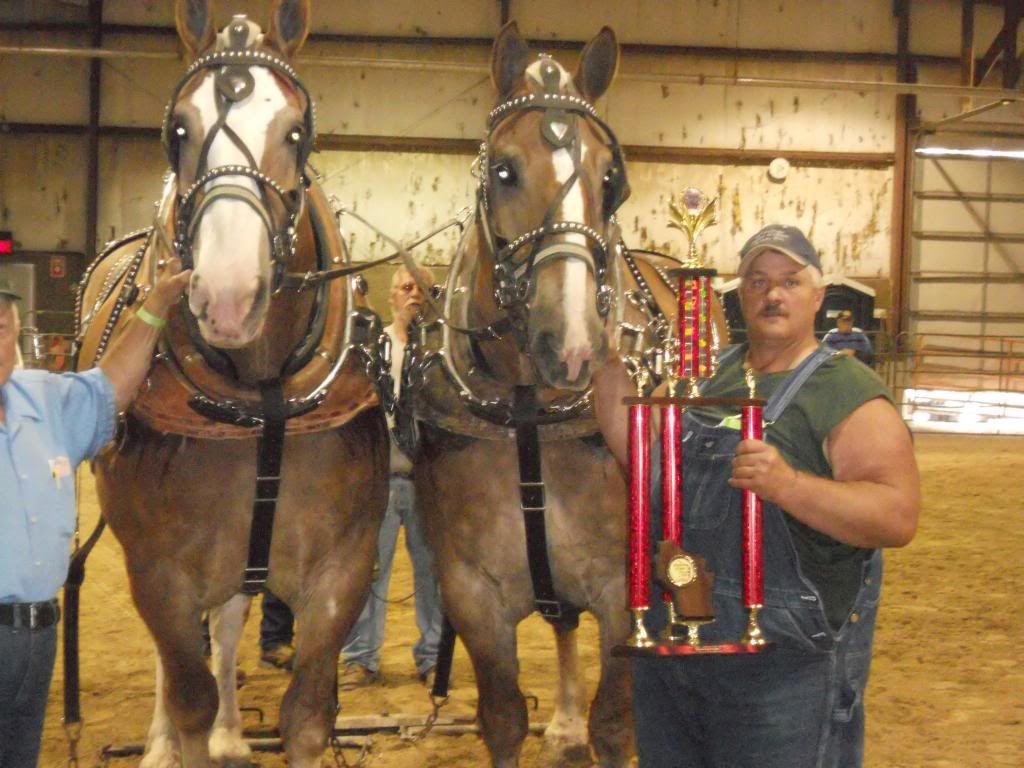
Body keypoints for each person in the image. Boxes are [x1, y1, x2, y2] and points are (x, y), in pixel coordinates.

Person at [592, 224, 920, 768]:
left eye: (790, 282)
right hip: (675, 650)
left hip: (781, 666)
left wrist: (788, 486)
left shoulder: (847, 392)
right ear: (739, 295)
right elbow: (644, 458)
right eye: (758, 281)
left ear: (818, 297)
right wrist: (603, 367)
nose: (773, 294)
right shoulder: (705, 374)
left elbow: (897, 516)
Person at [1, 266, 190, 767]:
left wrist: (156, 306)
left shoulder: (42, 398)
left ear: (15, 332)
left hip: (37, 635)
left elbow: (110, 387)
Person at [339, 262, 443, 690]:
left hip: (426, 478)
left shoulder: (440, 351)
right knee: (366, 570)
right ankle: (360, 657)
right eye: (406, 287)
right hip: (378, 477)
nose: (414, 294)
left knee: (433, 572)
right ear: (392, 297)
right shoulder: (371, 348)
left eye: (422, 289)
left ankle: (433, 657)